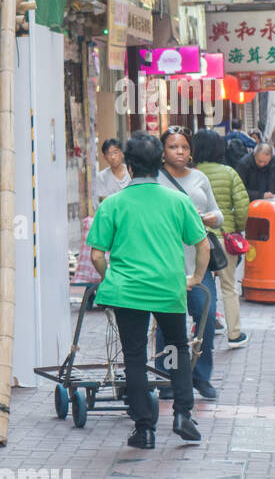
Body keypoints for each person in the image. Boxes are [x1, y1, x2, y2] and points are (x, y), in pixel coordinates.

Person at [87, 133, 209, 450]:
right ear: (159, 163)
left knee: (135, 357)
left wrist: (110, 278)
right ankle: (183, 415)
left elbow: (97, 255)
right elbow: (202, 244)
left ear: (128, 164)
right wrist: (194, 277)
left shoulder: (112, 204)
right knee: (179, 349)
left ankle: (144, 429)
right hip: (169, 288)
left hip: (126, 291)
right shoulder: (178, 202)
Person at [157, 127, 223, 400]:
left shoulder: (199, 177)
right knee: (168, 324)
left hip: (199, 262)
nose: (180, 152)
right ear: (163, 152)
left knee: (205, 320)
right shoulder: (154, 180)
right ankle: (168, 377)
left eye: (184, 147)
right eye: (173, 147)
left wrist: (206, 218)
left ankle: (201, 376)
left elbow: (218, 215)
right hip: (166, 263)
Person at [193, 130, 250, 350]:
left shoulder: (190, 174)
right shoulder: (229, 173)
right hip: (224, 239)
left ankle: (204, 327)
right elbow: (242, 205)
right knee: (228, 286)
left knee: (198, 285)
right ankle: (234, 334)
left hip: (196, 241)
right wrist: (237, 228)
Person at [94, 138, 130, 203]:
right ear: (105, 157)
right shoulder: (101, 177)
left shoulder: (131, 172)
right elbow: (106, 203)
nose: (113, 157)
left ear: (122, 153)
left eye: (115, 152)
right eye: (109, 154)